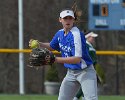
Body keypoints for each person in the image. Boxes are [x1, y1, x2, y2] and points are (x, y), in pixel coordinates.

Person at [29, 9, 98, 100]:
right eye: (65, 18)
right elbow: (52, 46)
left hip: (85, 72)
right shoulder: (60, 33)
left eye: (70, 18)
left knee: (91, 99)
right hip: (71, 73)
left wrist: (55, 59)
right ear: (60, 20)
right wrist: (39, 44)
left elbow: (77, 59)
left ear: (73, 20)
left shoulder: (76, 35)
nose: (68, 21)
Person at [73, 31, 98, 100]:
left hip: (91, 68)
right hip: (86, 68)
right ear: (87, 37)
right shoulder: (85, 45)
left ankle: (80, 97)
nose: (93, 38)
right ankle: (76, 97)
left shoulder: (90, 45)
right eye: (92, 37)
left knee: (88, 85)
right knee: (86, 85)